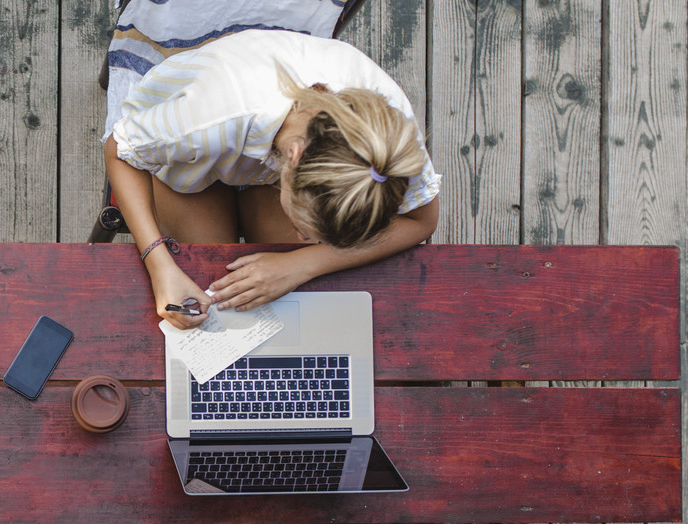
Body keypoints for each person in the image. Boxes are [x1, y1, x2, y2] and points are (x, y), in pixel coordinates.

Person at [104, 28, 440, 329]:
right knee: (208, 281)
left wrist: (303, 264)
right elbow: (118, 148)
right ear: (293, 159)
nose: (305, 238)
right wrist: (159, 264)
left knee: (270, 302)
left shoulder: (390, 141)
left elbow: (422, 221)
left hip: (260, 158)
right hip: (189, 160)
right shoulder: (207, 119)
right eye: (305, 226)